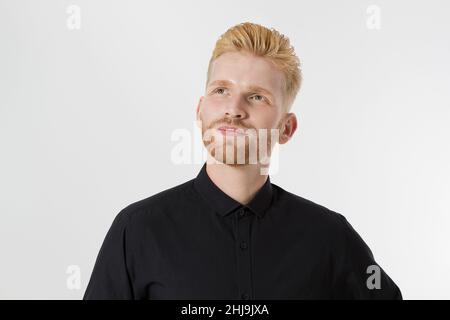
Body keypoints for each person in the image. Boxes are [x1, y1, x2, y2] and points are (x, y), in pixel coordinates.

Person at [84, 22, 402, 300]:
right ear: (200, 110)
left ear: (286, 128)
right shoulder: (138, 231)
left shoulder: (330, 237)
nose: (233, 108)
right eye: (221, 90)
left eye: (256, 96)